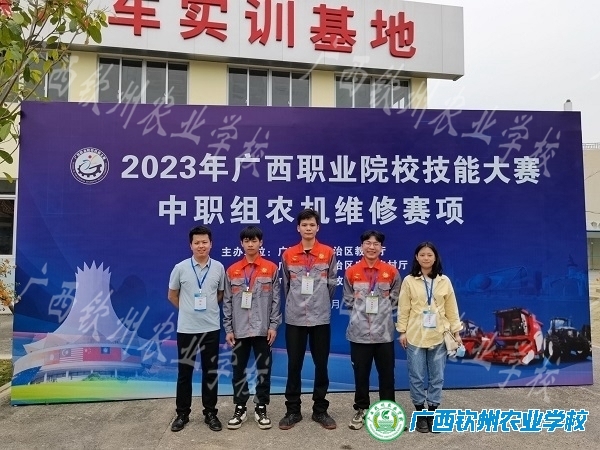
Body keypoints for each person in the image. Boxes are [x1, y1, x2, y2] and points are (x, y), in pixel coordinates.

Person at [279, 208, 338, 430]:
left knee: (321, 364)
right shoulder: (288, 254)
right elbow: (285, 285)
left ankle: (320, 410)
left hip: (320, 318)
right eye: (304, 225)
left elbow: (332, 284)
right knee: (294, 364)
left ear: (317, 227)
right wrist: (297, 302)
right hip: (295, 318)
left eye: (312, 224)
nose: (308, 228)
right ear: (298, 228)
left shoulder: (328, 253)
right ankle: (292, 410)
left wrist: (319, 302)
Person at [396, 241, 462, 433]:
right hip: (415, 335)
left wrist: (456, 332)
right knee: (416, 375)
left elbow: (452, 308)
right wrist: (402, 331)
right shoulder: (409, 280)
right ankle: (420, 413)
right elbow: (403, 307)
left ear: (435, 258)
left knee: (437, 377)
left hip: (439, 334)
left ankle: (432, 412)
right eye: (422, 254)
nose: (426, 258)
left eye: (429, 255)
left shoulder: (444, 281)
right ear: (417, 258)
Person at [168, 225, 226, 433]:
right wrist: (188, 311)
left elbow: (220, 294)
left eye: (204, 242)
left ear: (211, 244)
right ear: (190, 245)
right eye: (197, 242)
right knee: (185, 373)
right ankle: (182, 414)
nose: (201, 246)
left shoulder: (218, 268)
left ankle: (210, 413)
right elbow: (172, 295)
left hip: (211, 328)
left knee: (210, 372)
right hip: (187, 329)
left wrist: (207, 309)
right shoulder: (180, 268)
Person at [223, 226, 281, 430]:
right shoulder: (232, 270)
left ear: (260, 242)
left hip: (263, 330)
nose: (250, 244)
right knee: (238, 369)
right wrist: (228, 328)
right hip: (239, 330)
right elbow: (227, 301)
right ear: (241, 243)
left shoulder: (271, 268)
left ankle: (261, 406)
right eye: (246, 241)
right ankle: (240, 406)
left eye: (254, 240)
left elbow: (276, 300)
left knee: (264, 369)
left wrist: (273, 326)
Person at [343, 230, 401, 430]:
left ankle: (388, 412)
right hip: (359, 333)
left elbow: (395, 300)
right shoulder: (352, 271)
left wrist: (380, 314)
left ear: (381, 248)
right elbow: (348, 300)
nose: (371, 247)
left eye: (376, 244)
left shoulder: (391, 271)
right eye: (368, 243)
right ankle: (361, 409)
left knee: (387, 375)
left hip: (384, 334)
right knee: (361, 374)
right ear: (362, 247)